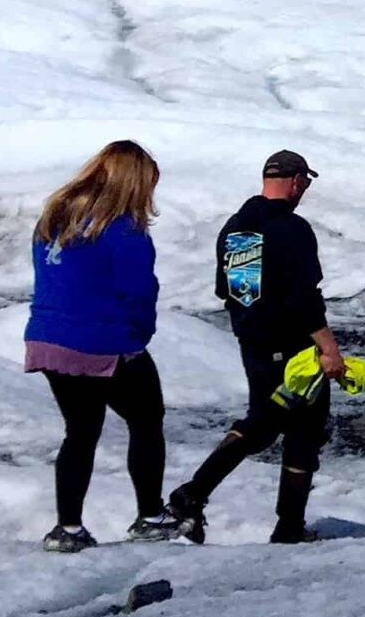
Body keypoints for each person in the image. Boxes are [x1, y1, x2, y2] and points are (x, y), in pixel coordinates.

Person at [166, 149, 347, 545]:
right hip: (294, 348)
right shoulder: (293, 229)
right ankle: (272, 521)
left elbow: (227, 290)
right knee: (296, 427)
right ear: (297, 181)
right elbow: (304, 297)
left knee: (267, 420)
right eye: (306, 183)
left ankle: (205, 497)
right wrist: (329, 349)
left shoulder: (236, 228)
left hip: (253, 343)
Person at [24, 140, 181, 551]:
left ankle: (67, 527)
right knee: (147, 420)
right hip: (103, 342)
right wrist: (139, 335)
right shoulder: (124, 230)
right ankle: (150, 515)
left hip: (48, 340)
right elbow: (139, 291)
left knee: (80, 432)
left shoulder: (55, 219)